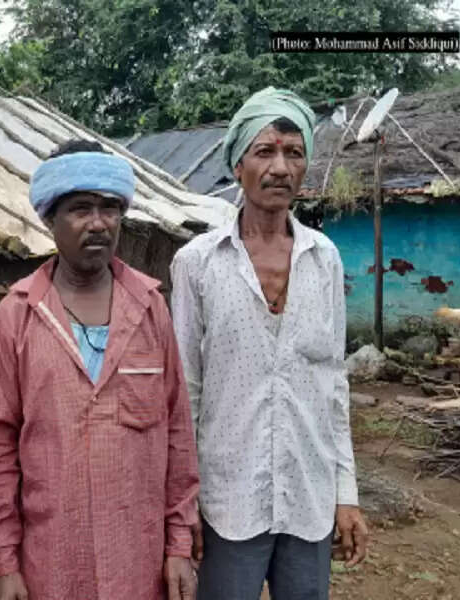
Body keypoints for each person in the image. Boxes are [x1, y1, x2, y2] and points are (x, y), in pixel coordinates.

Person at [0, 140, 201, 600]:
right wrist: (5, 563)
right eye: (80, 209)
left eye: (109, 208)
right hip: (52, 565)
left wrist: (178, 545)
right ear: (50, 219)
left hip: (140, 565)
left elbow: (177, 431)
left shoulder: (150, 308)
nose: (98, 223)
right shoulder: (17, 315)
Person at [170, 87, 369, 600]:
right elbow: (183, 393)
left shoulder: (324, 259)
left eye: (294, 153)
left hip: (309, 496)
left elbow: (334, 387)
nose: (280, 167)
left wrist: (345, 494)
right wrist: (183, 502)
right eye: (265, 151)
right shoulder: (197, 263)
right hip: (227, 499)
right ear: (238, 165)